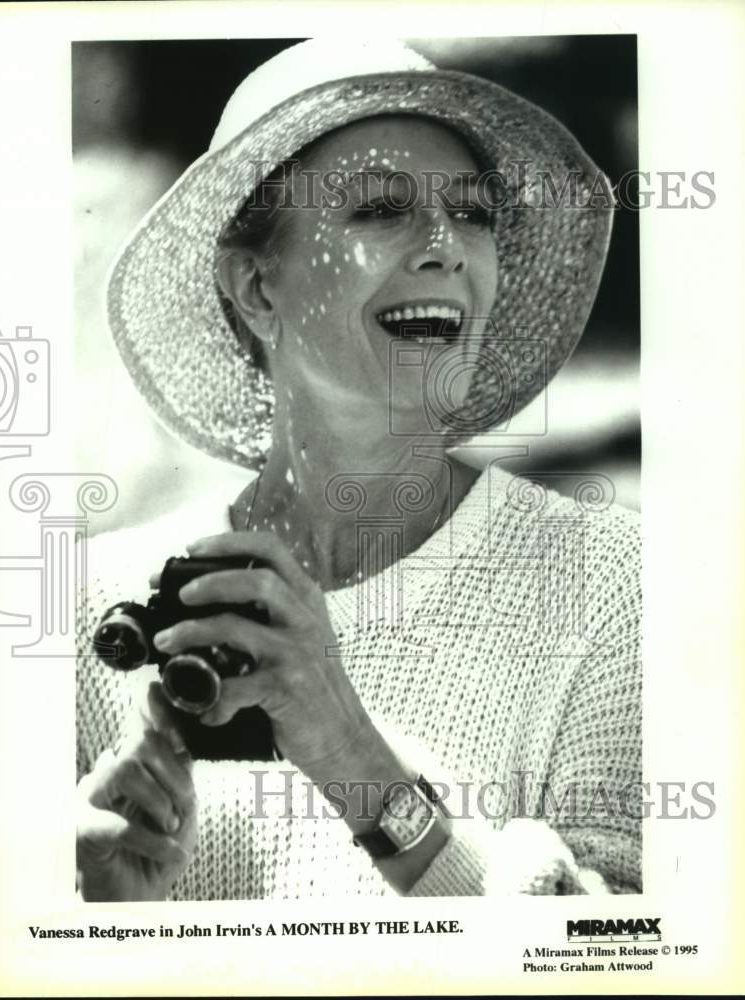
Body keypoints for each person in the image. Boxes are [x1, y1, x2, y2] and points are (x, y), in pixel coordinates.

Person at [76, 39, 641, 901]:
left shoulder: (608, 583)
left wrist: (349, 752)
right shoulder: (92, 607)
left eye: (472, 215)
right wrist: (98, 917)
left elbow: (621, 952)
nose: (447, 247)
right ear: (255, 290)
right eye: (380, 209)